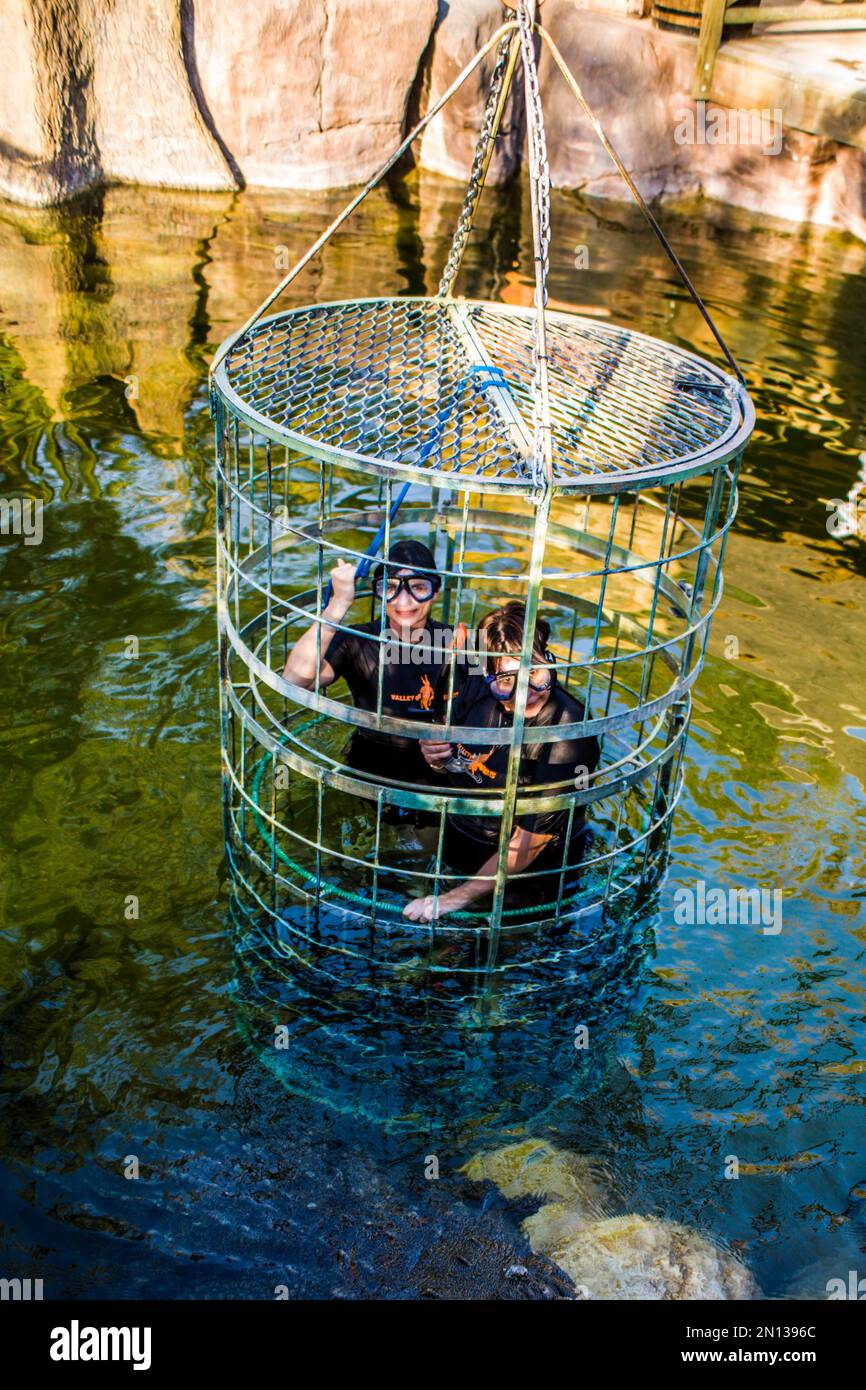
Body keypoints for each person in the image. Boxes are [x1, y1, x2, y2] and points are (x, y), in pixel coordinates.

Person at [403, 601, 601, 922]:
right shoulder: (472, 686)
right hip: (462, 835)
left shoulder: (568, 728)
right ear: (487, 675)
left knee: (510, 943)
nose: (525, 693)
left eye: (534, 673)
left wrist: (455, 899)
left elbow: (533, 838)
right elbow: (451, 759)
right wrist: (436, 757)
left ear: (549, 661)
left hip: (533, 868)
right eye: (508, 681)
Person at [282, 539, 458, 795]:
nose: (405, 601)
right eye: (392, 588)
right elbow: (294, 680)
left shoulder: (456, 642)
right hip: (372, 764)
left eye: (418, 587)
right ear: (379, 592)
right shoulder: (359, 641)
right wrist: (338, 605)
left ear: (436, 592)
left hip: (443, 761)